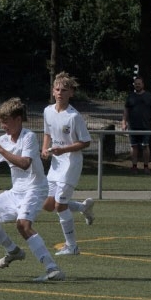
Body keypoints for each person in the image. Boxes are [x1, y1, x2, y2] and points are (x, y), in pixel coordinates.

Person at [0, 97, 64, 282]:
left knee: (23, 225)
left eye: (5, 121)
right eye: (1, 122)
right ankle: (13, 251)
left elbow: (24, 164)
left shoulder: (28, 137)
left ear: (17, 120)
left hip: (35, 188)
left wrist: (0, 149)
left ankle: (52, 268)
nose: (3, 126)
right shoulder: (3, 139)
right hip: (17, 191)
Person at [40, 71, 96, 255]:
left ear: (71, 93)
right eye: (57, 89)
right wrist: (45, 149)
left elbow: (86, 142)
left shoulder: (74, 116)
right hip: (56, 164)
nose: (60, 93)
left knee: (59, 206)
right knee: (48, 205)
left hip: (70, 164)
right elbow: (47, 133)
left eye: (64, 90)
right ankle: (82, 207)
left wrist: (63, 150)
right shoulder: (48, 111)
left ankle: (72, 246)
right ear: (53, 91)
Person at [122, 74, 151, 173]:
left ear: (143, 84)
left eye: (139, 84)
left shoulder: (149, 96)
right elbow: (126, 111)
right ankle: (134, 166)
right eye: (135, 84)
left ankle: (146, 166)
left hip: (146, 126)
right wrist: (124, 122)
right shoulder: (130, 97)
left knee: (145, 146)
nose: (137, 85)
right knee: (134, 146)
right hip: (133, 126)